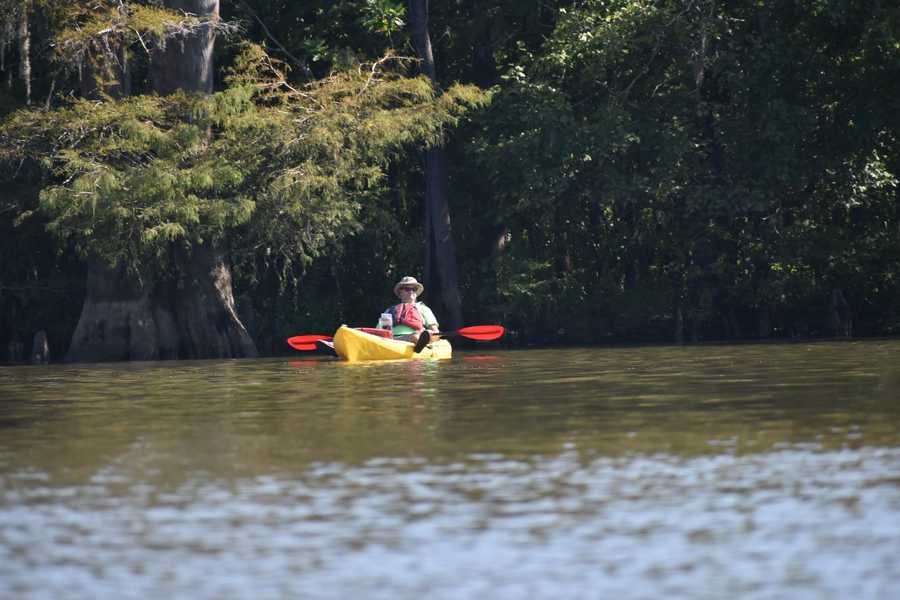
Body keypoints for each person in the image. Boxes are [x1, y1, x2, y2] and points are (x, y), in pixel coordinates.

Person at [380, 276, 439, 348]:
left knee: (416, 336)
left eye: (414, 289)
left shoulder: (423, 309)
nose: (411, 291)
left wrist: (430, 334)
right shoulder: (389, 310)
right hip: (390, 340)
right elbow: (380, 331)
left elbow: (435, 331)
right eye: (407, 289)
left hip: (414, 339)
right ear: (400, 292)